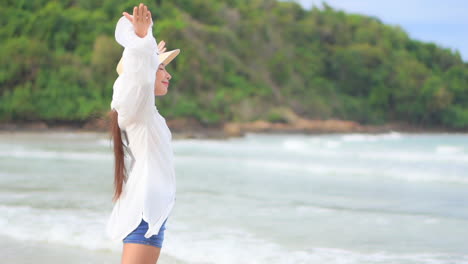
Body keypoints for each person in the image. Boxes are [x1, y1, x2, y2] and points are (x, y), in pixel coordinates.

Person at [105, 3, 180, 264]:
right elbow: (139, 79)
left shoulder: (148, 113)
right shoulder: (136, 110)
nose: (168, 74)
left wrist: (150, 55)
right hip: (145, 215)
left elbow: (142, 78)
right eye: (162, 68)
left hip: (151, 214)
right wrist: (141, 43)